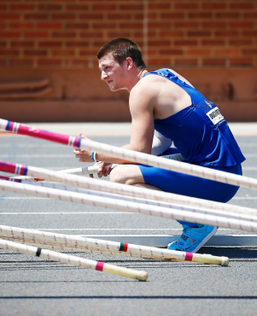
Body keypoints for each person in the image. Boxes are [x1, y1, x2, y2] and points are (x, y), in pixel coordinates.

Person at [74, 38, 245, 253]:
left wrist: (95, 154)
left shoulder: (140, 92)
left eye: (107, 68)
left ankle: (198, 225)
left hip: (217, 177)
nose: (103, 76)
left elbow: (140, 151)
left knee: (120, 177)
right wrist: (112, 158)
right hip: (229, 170)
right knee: (124, 168)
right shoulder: (167, 74)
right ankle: (199, 218)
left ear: (128, 63)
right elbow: (163, 141)